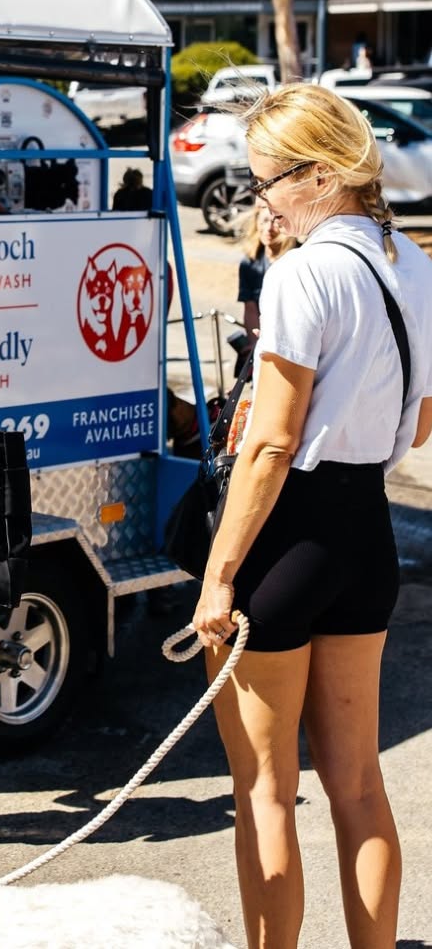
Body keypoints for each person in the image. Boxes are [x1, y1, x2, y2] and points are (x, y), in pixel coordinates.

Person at [193, 84, 432, 949]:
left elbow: (269, 444)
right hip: (366, 525)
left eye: (268, 181)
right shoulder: (417, 265)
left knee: (264, 789)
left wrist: (219, 575)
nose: (260, 199)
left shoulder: (302, 273)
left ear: (322, 175)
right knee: (359, 784)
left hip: (284, 538)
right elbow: (421, 422)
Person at [233, 201, 298, 374]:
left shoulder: (298, 258)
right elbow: (250, 308)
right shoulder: (249, 263)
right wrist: (256, 345)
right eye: (264, 221)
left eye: (275, 221)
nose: (269, 228)